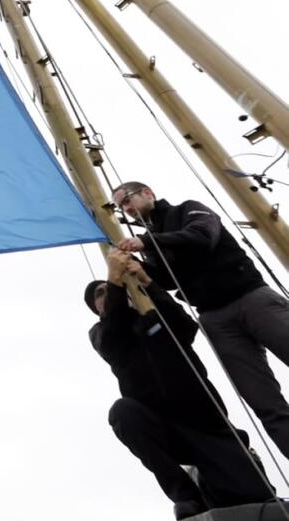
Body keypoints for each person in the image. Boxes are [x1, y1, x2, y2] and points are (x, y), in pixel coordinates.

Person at [112, 180, 289, 458]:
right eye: (120, 206)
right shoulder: (152, 241)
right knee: (262, 399)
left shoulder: (189, 210)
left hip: (251, 298)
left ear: (148, 192)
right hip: (214, 317)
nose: (126, 209)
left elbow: (201, 237)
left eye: (126, 200)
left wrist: (146, 241)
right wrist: (141, 268)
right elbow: (169, 281)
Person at [87, 249, 269, 518]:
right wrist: (113, 279)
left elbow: (185, 327)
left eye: (107, 290)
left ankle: (213, 486)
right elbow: (114, 329)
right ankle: (184, 493)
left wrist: (148, 284)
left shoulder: (153, 313)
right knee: (123, 412)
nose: (105, 295)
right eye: (98, 295)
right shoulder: (102, 333)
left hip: (207, 423)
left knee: (257, 500)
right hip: (163, 427)